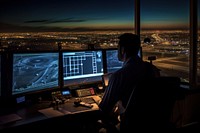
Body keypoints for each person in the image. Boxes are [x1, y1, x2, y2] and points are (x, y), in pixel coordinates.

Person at [98, 33, 160, 132]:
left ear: (122, 50)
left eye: (118, 48)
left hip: (129, 127)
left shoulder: (119, 75)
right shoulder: (152, 70)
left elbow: (104, 109)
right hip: (153, 125)